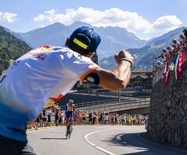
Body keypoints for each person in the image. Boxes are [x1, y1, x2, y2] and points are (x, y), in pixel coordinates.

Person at [0, 26, 133, 154]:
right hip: (6, 132)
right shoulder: (72, 58)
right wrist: (126, 60)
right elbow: (118, 82)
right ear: (90, 55)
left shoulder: (43, 49)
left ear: (67, 41)